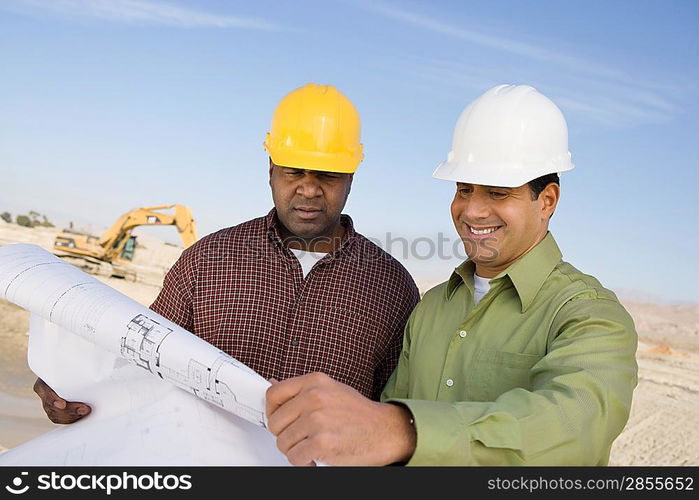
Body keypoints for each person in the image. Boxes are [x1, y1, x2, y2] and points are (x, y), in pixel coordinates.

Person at [265, 84, 639, 466]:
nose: (472, 211)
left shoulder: (588, 315)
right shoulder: (431, 309)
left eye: (497, 193)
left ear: (547, 201)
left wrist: (403, 430)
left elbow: (574, 427)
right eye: (464, 189)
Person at [34, 83, 420, 424]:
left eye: (327, 175)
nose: (308, 189)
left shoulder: (392, 288)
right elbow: (136, 364)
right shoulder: (207, 261)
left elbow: (391, 419)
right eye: (294, 172)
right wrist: (71, 383)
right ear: (270, 169)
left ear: (351, 177)